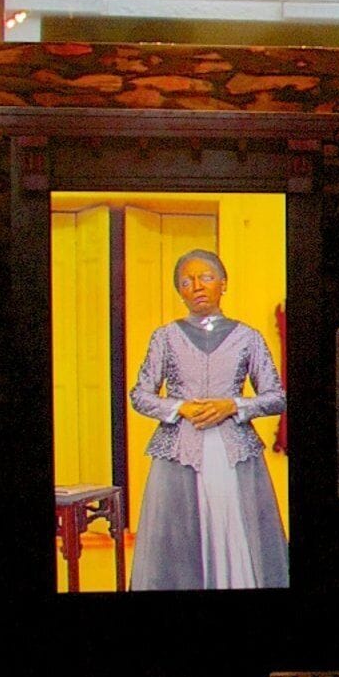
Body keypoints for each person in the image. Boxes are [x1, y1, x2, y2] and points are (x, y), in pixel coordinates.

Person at [125, 248, 289, 591]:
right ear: (180, 291)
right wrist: (179, 408)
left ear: (223, 284)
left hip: (235, 455)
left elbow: (276, 397)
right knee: (180, 535)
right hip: (180, 454)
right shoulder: (165, 337)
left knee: (236, 528)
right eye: (187, 281)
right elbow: (139, 395)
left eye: (206, 277)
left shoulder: (248, 337)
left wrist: (233, 405)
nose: (197, 286)